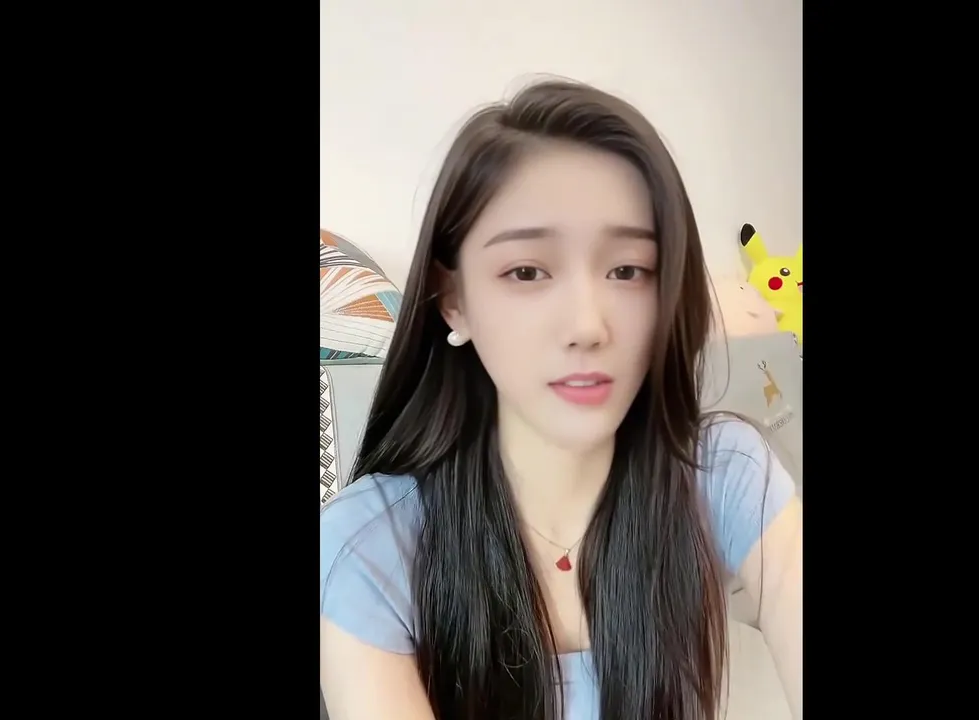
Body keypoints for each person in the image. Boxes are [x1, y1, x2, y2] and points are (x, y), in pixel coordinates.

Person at [319, 78, 803, 720]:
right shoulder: (366, 547)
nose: (587, 325)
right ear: (453, 300)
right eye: (527, 271)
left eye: (627, 270)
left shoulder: (723, 471)